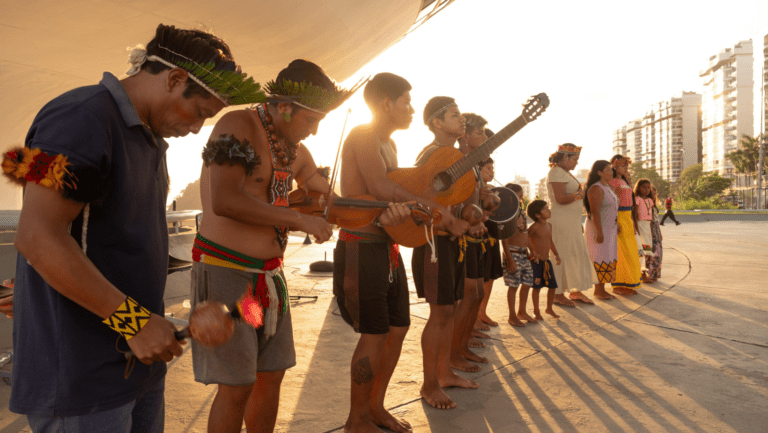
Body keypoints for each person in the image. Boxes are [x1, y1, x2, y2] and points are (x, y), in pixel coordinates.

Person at [3, 24, 260, 431]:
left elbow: (107, 236)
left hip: (136, 365)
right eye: (199, 113)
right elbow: (38, 236)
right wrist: (134, 322)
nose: (197, 128)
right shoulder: (82, 118)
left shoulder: (149, 139)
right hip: (82, 377)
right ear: (175, 80)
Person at [192, 59, 362, 433]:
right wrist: (300, 220)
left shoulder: (293, 149)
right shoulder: (237, 126)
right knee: (237, 383)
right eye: (310, 120)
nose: (315, 131)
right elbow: (224, 200)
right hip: (228, 278)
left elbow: (321, 190)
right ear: (284, 106)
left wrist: (372, 210)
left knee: (269, 374)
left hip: (266, 288)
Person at [333, 72, 443, 433]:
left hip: (386, 247)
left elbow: (392, 191)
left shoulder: (390, 144)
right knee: (375, 333)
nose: (411, 110)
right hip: (360, 247)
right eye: (407, 102)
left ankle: (376, 407)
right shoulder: (364, 134)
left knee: (398, 327)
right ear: (386, 103)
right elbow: (381, 186)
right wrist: (426, 205)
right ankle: (356, 419)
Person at [411, 96, 477, 410]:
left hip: (449, 243)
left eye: (461, 114)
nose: (461, 119)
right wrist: (448, 221)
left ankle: (444, 373)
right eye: (454, 115)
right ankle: (429, 384)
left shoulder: (453, 156)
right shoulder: (431, 155)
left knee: (449, 310)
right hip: (433, 243)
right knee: (439, 316)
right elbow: (419, 200)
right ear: (437, 123)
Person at [452, 112, 499, 372]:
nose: (485, 139)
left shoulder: (471, 166)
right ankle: (453, 353)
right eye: (480, 133)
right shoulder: (451, 159)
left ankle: (462, 344)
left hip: (472, 237)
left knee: (475, 295)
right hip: (456, 238)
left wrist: (483, 200)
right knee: (461, 301)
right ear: (465, 135)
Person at [546, 144, 597, 306]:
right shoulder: (555, 172)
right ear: (565, 157)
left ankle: (575, 290)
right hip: (561, 221)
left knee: (575, 254)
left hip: (571, 222)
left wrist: (576, 222)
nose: (576, 163)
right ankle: (558, 294)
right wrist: (579, 194)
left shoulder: (565, 173)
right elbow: (560, 198)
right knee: (561, 256)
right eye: (574, 159)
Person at [501, 184, 538, 325]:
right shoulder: (507, 215)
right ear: (510, 198)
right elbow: (504, 238)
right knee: (513, 285)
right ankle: (512, 315)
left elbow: (525, 234)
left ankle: (522, 311)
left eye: (522, 196)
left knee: (528, 282)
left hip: (524, 253)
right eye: (519, 196)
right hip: (513, 253)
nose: (522, 198)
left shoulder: (521, 212)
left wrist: (532, 250)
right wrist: (509, 259)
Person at [583, 160, 619, 300]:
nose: (611, 172)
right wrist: (599, 231)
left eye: (611, 169)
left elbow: (612, 208)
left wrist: (616, 224)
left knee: (608, 256)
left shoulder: (608, 187)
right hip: (599, 228)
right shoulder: (596, 188)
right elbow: (595, 212)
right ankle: (598, 290)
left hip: (609, 228)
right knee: (600, 257)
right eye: (608, 170)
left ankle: (602, 289)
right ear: (599, 172)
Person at [477, 157, 505, 331]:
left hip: (493, 238)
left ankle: (482, 311)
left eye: (492, 168)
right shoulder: (472, 191)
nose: (492, 172)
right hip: (478, 239)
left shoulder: (495, 192)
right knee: (478, 277)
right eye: (488, 168)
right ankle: (473, 317)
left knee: (490, 275)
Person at [609, 155, 642, 295]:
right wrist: (615, 221)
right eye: (623, 165)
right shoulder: (612, 182)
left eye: (626, 166)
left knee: (630, 251)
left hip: (627, 217)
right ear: (615, 166)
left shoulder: (624, 181)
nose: (626, 168)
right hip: (619, 217)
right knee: (621, 252)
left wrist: (633, 222)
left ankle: (629, 283)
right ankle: (617, 285)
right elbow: (611, 203)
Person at [526, 200, 562, 319]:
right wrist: (532, 252)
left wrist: (556, 254)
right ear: (537, 215)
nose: (549, 210)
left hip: (546, 261)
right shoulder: (533, 227)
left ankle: (549, 308)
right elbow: (525, 240)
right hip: (535, 262)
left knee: (552, 286)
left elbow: (550, 241)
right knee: (537, 287)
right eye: (545, 209)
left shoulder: (549, 225)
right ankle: (536, 311)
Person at [634, 179, 655, 283]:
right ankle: (641, 274)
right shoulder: (637, 199)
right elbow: (635, 216)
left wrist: (651, 231)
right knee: (640, 251)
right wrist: (637, 230)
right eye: (643, 187)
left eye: (648, 187)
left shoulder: (650, 201)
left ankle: (644, 271)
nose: (646, 190)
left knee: (647, 250)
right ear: (638, 188)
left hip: (647, 227)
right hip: (640, 225)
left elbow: (650, 219)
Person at [646, 187, 663, 281]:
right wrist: (651, 233)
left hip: (656, 229)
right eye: (652, 193)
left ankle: (655, 273)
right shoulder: (646, 204)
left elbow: (656, 221)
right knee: (651, 253)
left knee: (659, 253)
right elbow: (649, 220)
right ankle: (649, 274)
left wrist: (659, 232)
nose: (654, 196)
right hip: (650, 229)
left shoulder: (653, 205)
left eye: (655, 194)